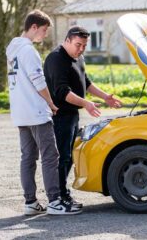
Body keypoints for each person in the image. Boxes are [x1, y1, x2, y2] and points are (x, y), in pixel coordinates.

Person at [6, 10, 81, 215]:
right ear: (34, 27)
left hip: (20, 113)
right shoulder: (29, 51)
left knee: (28, 158)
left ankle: (30, 202)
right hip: (36, 112)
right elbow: (38, 81)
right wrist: (50, 103)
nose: (45, 35)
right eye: (44, 30)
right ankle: (55, 201)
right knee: (51, 157)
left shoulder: (12, 50)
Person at [44, 26, 122, 207]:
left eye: (84, 46)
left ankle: (64, 194)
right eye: (78, 45)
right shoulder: (56, 59)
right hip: (59, 116)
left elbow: (85, 82)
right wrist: (86, 104)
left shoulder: (78, 57)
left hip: (72, 115)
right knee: (61, 157)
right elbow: (62, 92)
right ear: (67, 40)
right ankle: (57, 197)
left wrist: (105, 97)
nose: (81, 49)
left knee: (69, 156)